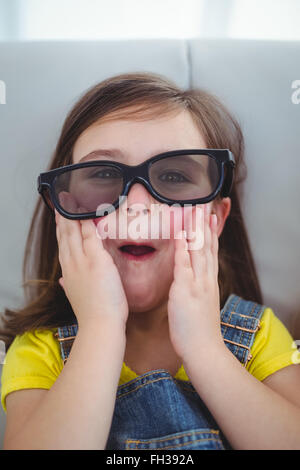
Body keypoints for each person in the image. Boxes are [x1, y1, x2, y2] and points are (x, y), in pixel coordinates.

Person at [1, 72, 300, 450]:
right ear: (63, 214)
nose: (137, 207)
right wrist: (101, 329)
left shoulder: (258, 334)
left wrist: (205, 348)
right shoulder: (39, 349)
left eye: (174, 175)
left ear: (216, 220)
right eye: (105, 173)